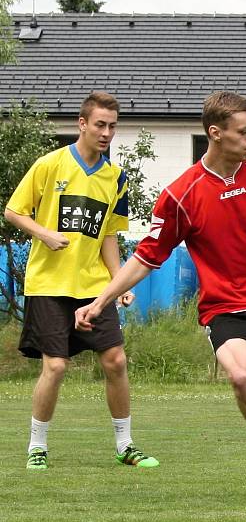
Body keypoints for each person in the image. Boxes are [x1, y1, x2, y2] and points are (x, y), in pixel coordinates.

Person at [75, 91, 246, 505]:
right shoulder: (181, 195)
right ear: (216, 133)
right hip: (228, 309)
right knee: (241, 376)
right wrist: (100, 302)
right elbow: (146, 257)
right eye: (244, 132)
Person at [4, 92, 158, 470]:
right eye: (100, 125)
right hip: (48, 285)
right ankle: (36, 446)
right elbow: (12, 211)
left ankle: (125, 445)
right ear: (82, 124)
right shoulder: (49, 164)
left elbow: (108, 237)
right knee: (55, 367)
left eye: (112, 127)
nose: (106, 133)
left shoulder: (115, 179)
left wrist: (119, 284)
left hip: (91, 288)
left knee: (116, 360)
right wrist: (44, 234)